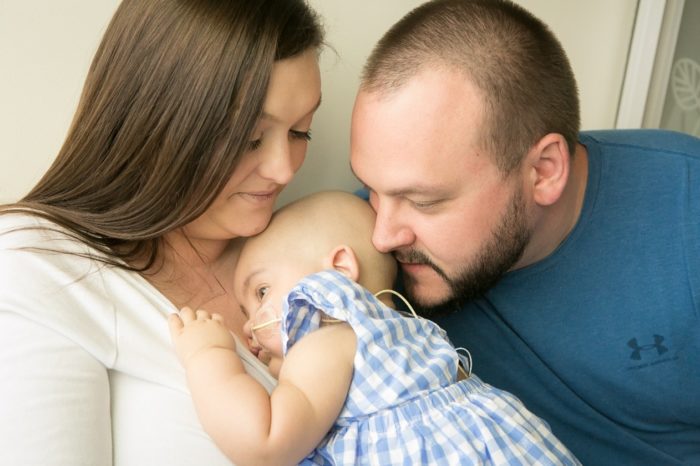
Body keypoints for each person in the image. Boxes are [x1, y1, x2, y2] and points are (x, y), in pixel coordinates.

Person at [349, 0, 700, 465]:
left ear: (544, 171)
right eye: (373, 189)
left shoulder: (686, 214)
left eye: (424, 201)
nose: (383, 234)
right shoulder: (363, 239)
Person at [0, 1, 323, 464]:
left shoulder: (299, 249)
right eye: (250, 139)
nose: (283, 170)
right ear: (156, 123)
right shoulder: (38, 267)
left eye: (301, 132)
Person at [169, 190, 580, 466]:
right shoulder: (407, 334)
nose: (249, 324)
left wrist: (210, 356)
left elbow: (265, 441)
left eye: (261, 291)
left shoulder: (331, 334)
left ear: (340, 271)